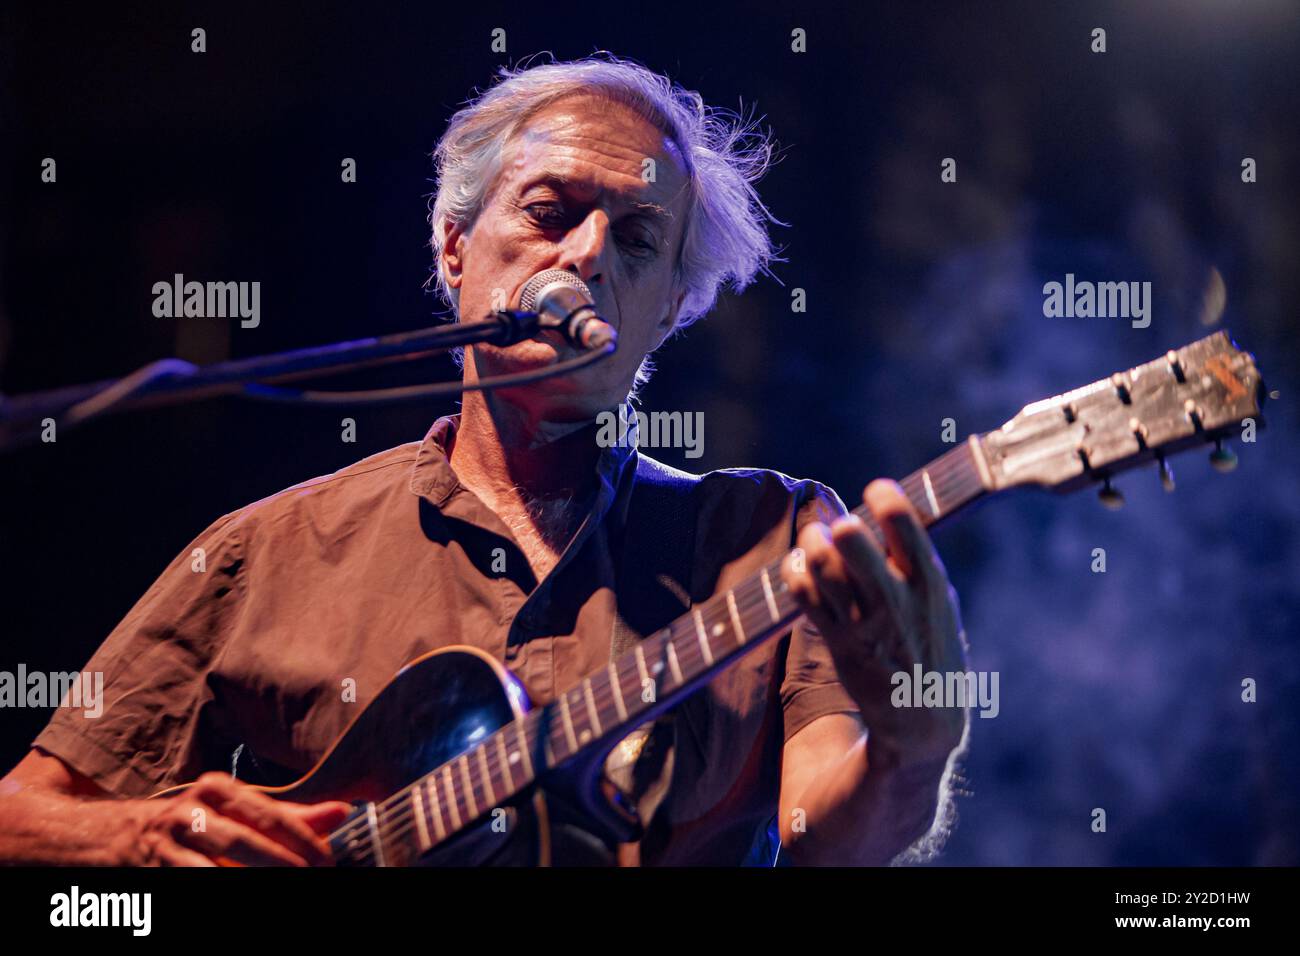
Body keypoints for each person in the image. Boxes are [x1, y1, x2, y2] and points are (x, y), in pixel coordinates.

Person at [0, 54, 969, 866]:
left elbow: (827, 835)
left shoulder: (775, 538)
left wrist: (910, 748)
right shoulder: (267, 550)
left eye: (637, 239)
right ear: (454, 244)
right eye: (552, 211)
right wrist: (138, 831)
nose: (588, 254)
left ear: (669, 305)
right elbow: (20, 813)